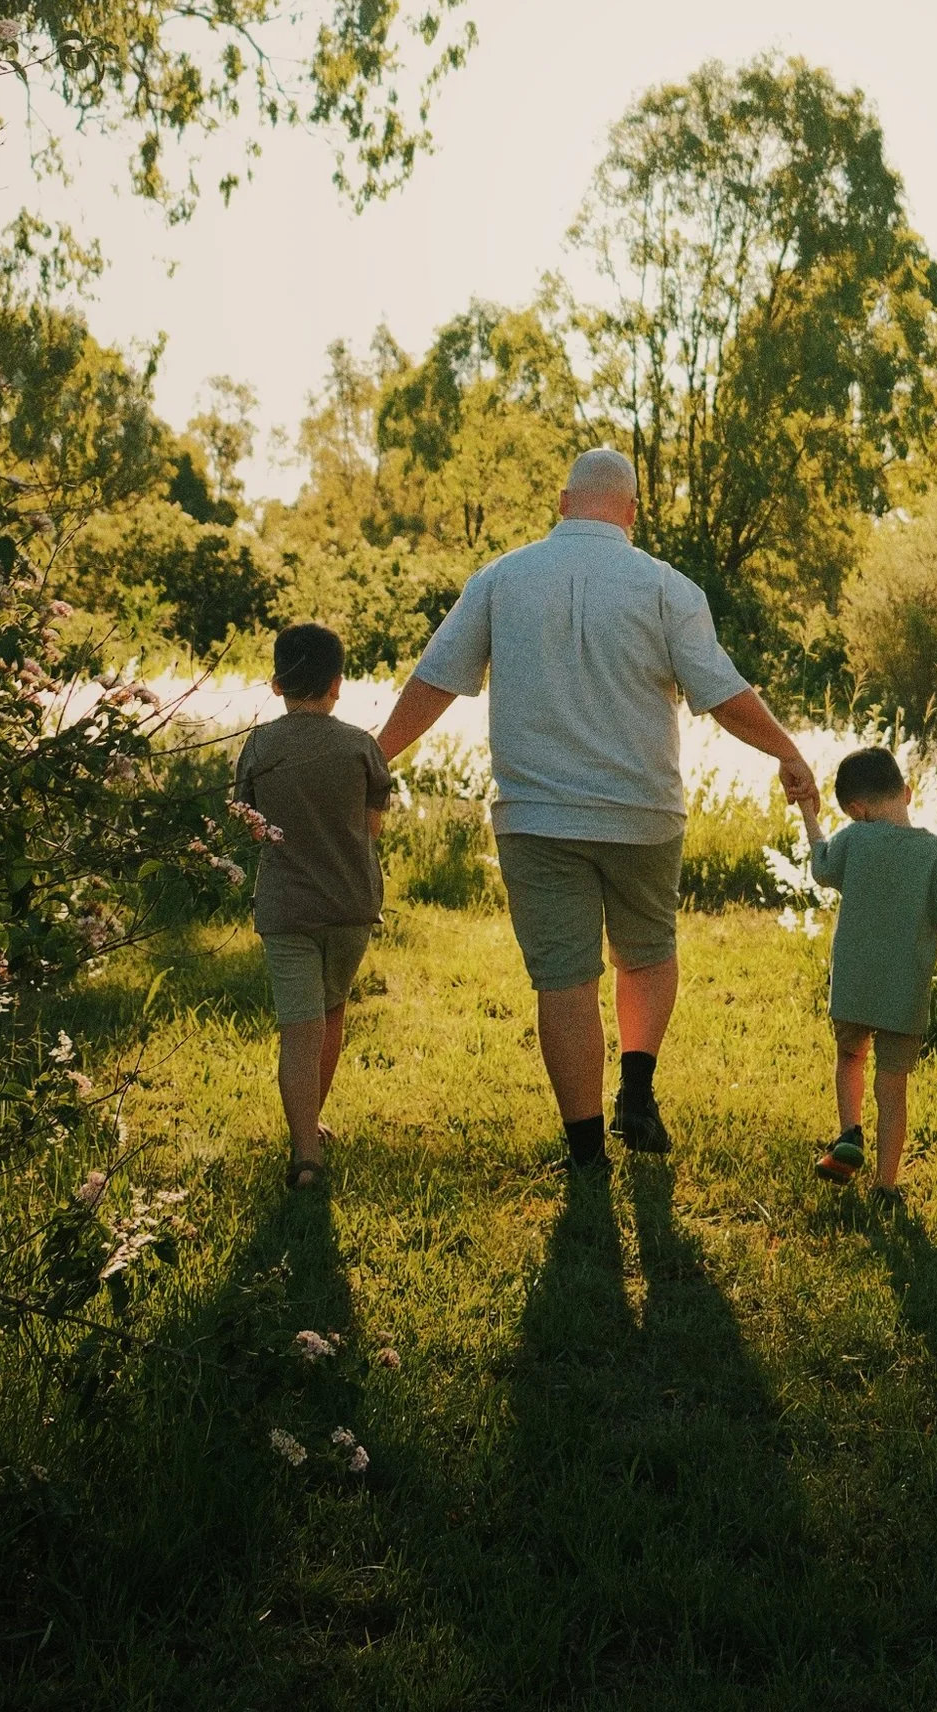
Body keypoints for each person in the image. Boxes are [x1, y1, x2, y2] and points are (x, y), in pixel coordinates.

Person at [374, 447, 820, 1170]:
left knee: (565, 979)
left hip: (536, 816)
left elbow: (437, 680)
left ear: (562, 501)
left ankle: (585, 1151)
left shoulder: (501, 577)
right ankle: (636, 1093)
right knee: (647, 953)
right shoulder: (667, 587)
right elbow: (720, 691)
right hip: (642, 815)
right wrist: (787, 751)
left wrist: (373, 757)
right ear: (633, 512)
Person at [800, 747, 937, 1204]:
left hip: (853, 987)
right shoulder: (935, 853)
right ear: (907, 792)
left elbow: (821, 866)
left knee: (850, 1056)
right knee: (893, 1090)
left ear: (857, 809)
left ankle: (849, 1133)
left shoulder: (854, 838)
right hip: (903, 995)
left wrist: (809, 814)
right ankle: (886, 1186)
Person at [231, 619, 394, 1191]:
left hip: (287, 907)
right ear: (338, 684)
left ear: (277, 684)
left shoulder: (258, 746)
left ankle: (305, 1152)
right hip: (352, 904)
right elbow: (371, 827)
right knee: (330, 1013)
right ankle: (312, 1124)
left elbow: (249, 822)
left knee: (298, 1028)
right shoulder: (361, 746)